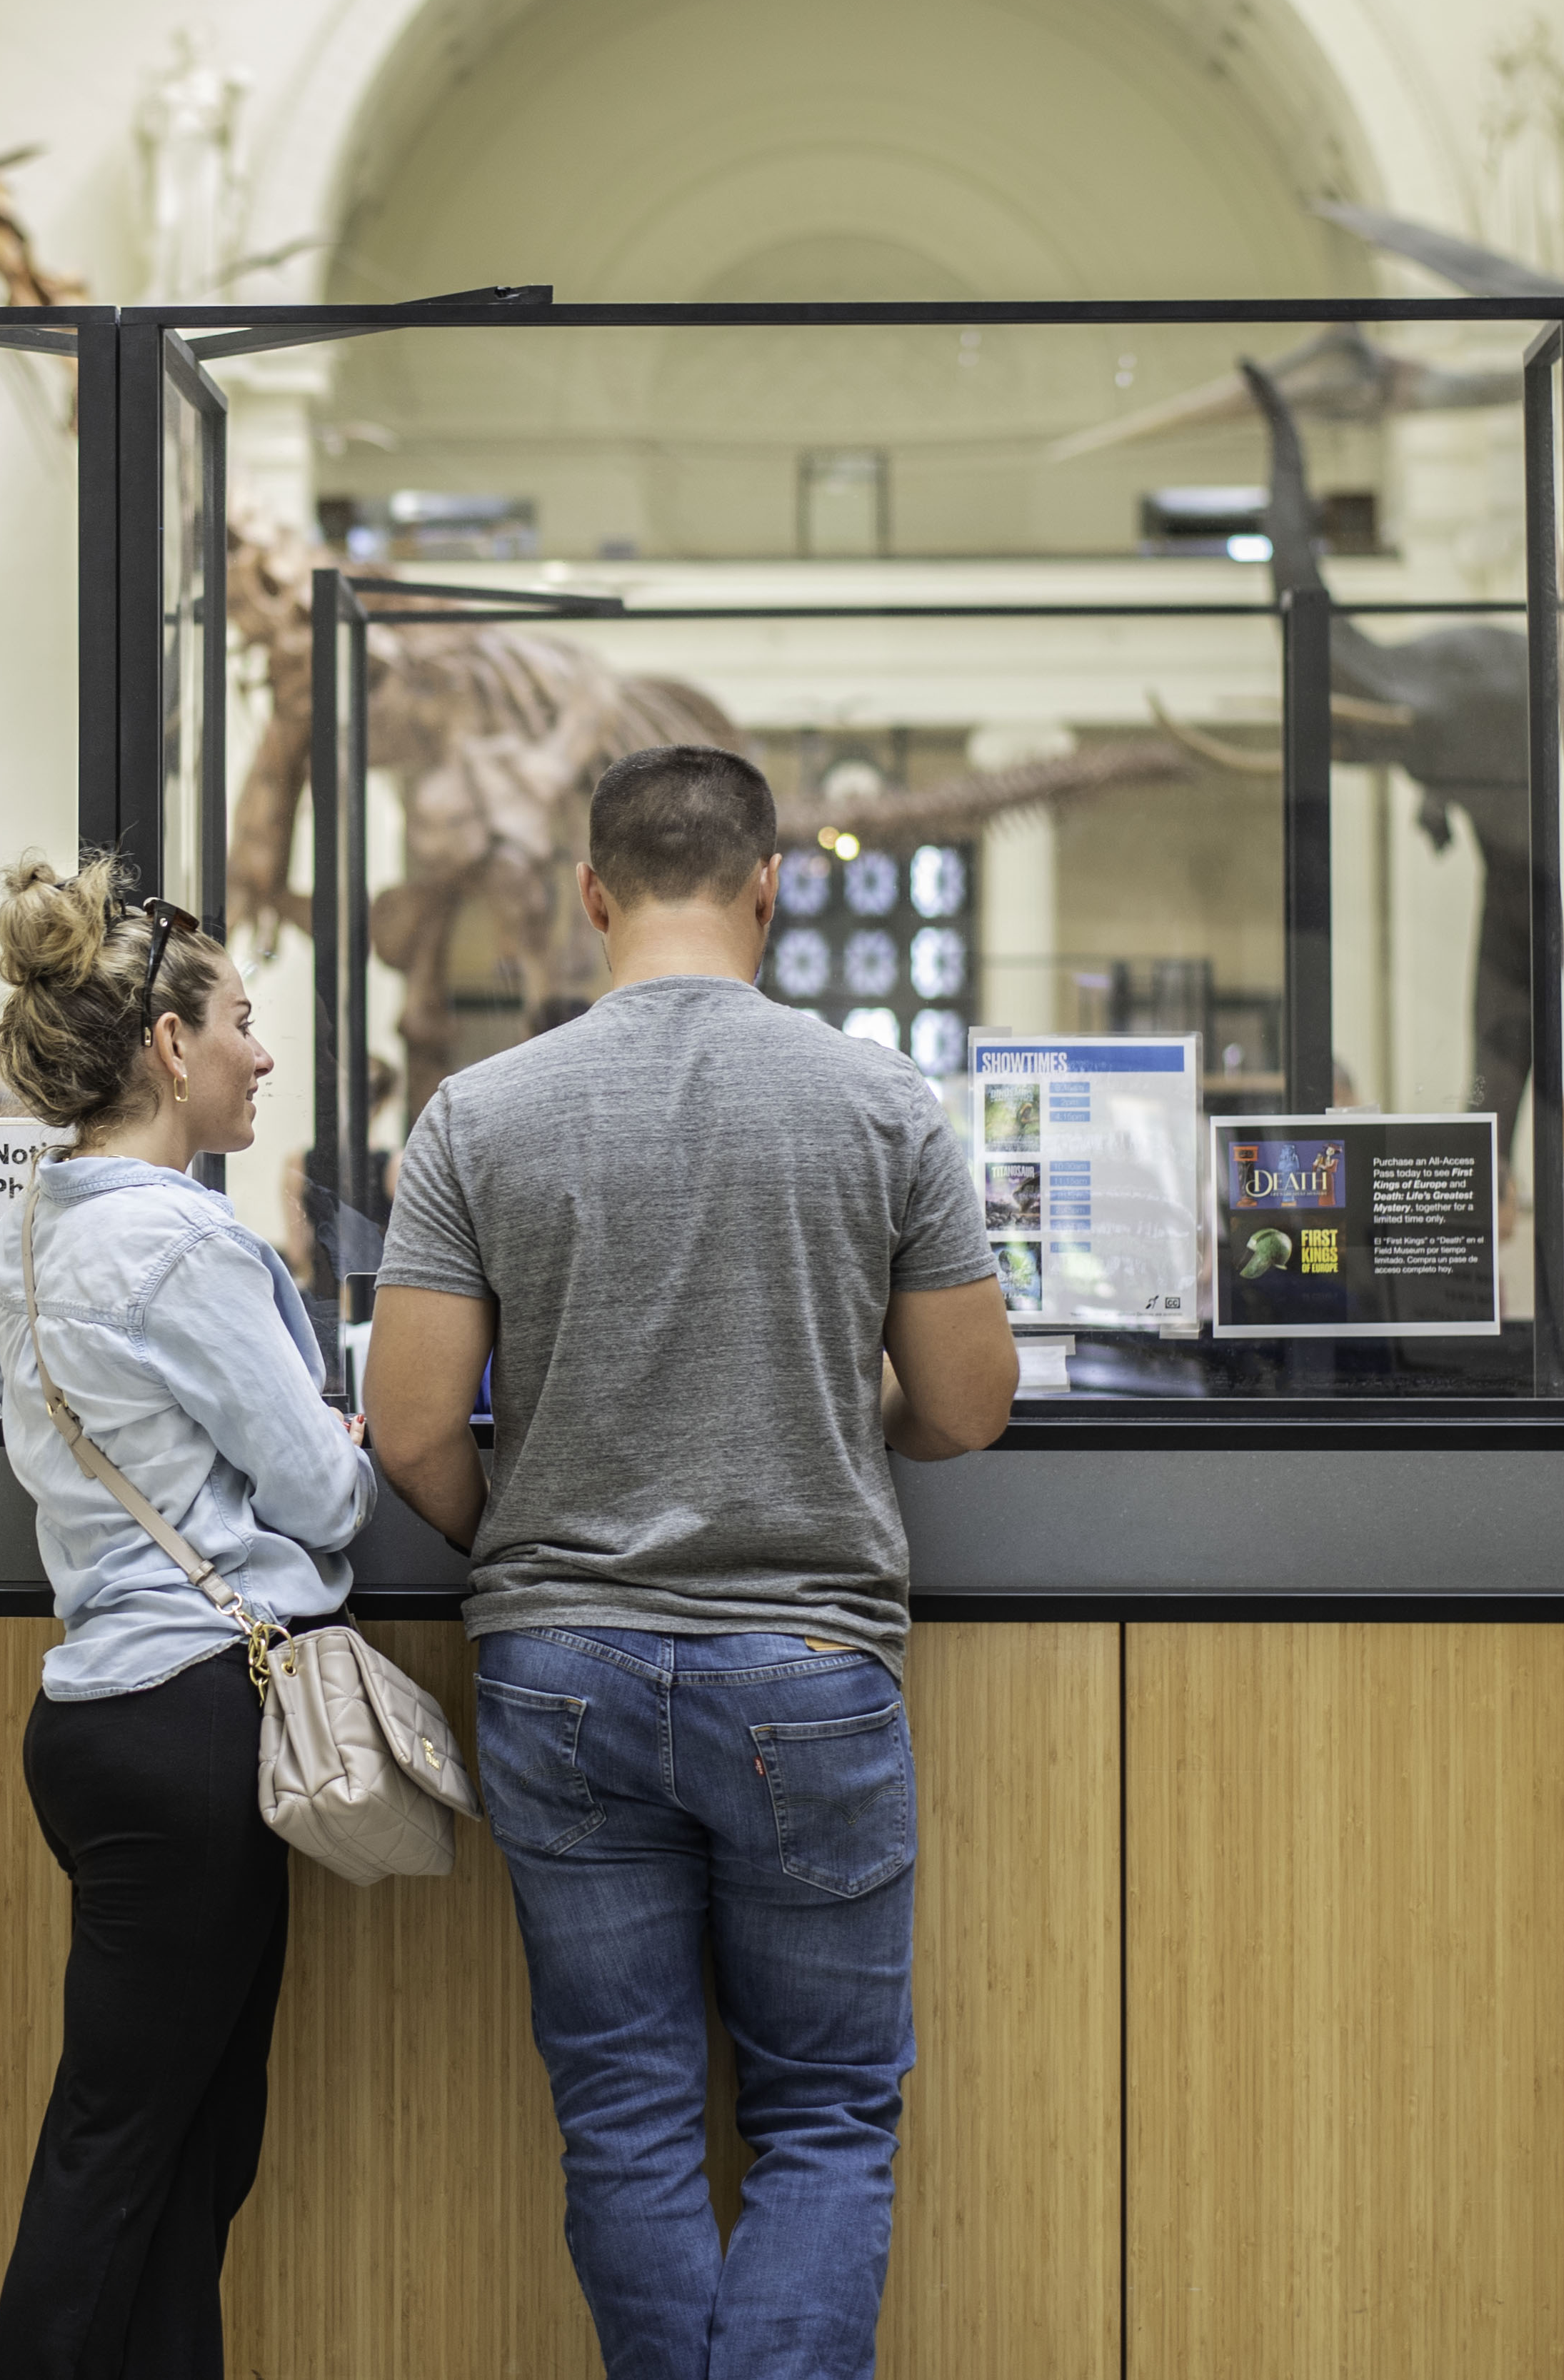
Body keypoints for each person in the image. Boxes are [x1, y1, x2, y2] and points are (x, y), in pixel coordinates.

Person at [364, 742, 1023, 2378]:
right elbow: (963, 1401)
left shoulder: (478, 1113)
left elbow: (407, 1424)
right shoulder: (878, 1103)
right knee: (821, 2113)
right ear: (767, 890)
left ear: (589, 893)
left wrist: (520, 1529)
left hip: (558, 1675)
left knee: (626, 2107)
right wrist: (828, 1394)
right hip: (805, 1665)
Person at [0, 856, 376, 2379]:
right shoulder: (184, 1241)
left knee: (178, 2155)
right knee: (128, 2156)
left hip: (103, 1713)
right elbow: (329, 1501)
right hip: (194, 1720)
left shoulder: (44, 1230)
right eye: (240, 1020)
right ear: (166, 1045)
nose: (259, 1053)